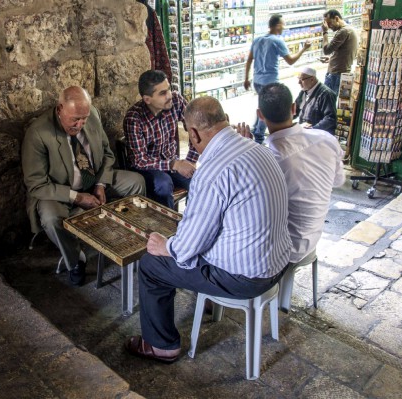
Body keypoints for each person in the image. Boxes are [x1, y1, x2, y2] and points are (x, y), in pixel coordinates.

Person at [124, 96, 292, 363]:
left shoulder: (213, 171)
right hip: (280, 262)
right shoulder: (258, 148)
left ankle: (161, 345)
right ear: (223, 119)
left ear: (193, 133)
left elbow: (187, 248)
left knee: (151, 265)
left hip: (247, 278)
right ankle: (212, 300)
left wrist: (164, 245)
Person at [22, 86, 145, 287]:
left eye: (84, 118)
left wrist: (101, 184)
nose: (80, 124)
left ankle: (130, 244)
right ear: (60, 109)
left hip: (93, 178)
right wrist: (77, 198)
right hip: (59, 190)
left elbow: (107, 154)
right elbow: (36, 184)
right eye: (75, 119)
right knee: (52, 218)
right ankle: (75, 260)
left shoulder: (92, 115)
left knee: (136, 183)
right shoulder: (38, 133)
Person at [259, 83, 344, 311]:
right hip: (314, 236)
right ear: (294, 108)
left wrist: (246, 151)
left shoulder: (268, 157)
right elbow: (338, 181)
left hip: (284, 248)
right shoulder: (326, 139)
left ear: (260, 116)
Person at [123, 70, 199, 208]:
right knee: (164, 184)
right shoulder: (134, 118)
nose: (169, 95)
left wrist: (190, 160)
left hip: (171, 161)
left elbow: (195, 129)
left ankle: (191, 224)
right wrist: (174, 164)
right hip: (147, 168)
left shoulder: (176, 100)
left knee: (199, 179)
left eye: (169, 89)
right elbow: (140, 160)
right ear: (147, 99)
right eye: (163, 93)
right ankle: (169, 227)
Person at [244, 14, 312, 144]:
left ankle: (255, 129)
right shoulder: (277, 41)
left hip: (257, 81)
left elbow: (249, 60)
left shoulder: (257, 40)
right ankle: (258, 137)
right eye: (283, 24)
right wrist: (304, 48)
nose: (284, 27)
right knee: (268, 110)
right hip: (270, 82)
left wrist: (246, 78)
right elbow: (290, 61)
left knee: (261, 105)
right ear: (277, 25)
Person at [321, 9, 358, 96]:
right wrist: (331, 59)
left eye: (329, 23)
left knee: (328, 103)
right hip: (344, 73)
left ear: (337, 18)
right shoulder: (349, 30)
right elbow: (345, 52)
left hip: (336, 75)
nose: (329, 26)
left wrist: (325, 32)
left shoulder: (343, 31)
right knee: (342, 105)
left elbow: (326, 50)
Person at [294, 66, 337, 135]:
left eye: (301, 79)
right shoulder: (304, 91)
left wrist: (313, 129)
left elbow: (330, 118)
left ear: (312, 79)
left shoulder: (326, 94)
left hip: (318, 135)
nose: (299, 82)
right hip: (304, 132)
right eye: (298, 79)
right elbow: (295, 110)